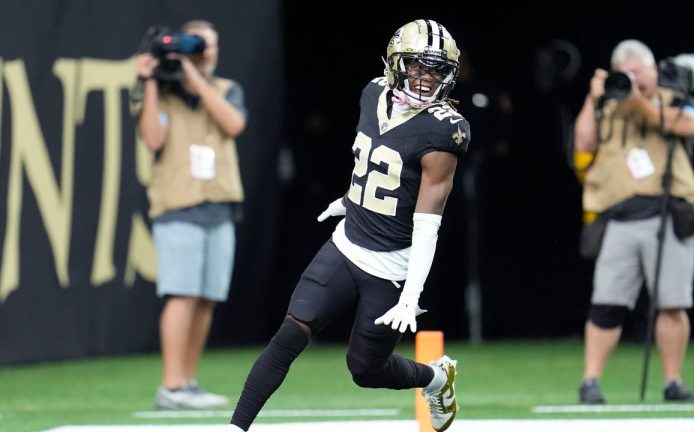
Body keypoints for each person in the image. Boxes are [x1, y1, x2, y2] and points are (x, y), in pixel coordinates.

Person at [226, 19, 470, 432]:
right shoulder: (373, 92)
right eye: (417, 66)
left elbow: (429, 222)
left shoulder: (446, 130)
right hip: (347, 244)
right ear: (396, 64)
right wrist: (347, 201)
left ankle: (435, 379)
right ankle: (235, 427)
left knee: (365, 369)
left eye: (435, 69)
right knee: (291, 332)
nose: (426, 78)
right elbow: (372, 162)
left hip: (392, 263)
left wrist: (412, 293)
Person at [572, 39, 694, 404]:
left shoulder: (673, 97)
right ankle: (590, 382)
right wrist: (594, 96)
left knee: (672, 302)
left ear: (652, 69)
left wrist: (635, 101)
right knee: (607, 302)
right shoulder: (608, 106)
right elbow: (582, 142)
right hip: (619, 217)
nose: (632, 78)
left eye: (637, 71)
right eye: (625, 73)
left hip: (668, 213)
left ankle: (673, 381)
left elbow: (689, 125)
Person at [134, 19, 248, 409]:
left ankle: (187, 380)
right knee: (181, 293)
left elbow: (234, 124)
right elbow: (152, 138)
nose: (205, 53)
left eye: (209, 46)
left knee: (206, 297)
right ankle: (171, 385)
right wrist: (150, 80)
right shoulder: (159, 91)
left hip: (219, 201)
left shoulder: (227, 89)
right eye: (198, 46)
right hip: (177, 202)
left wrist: (194, 78)